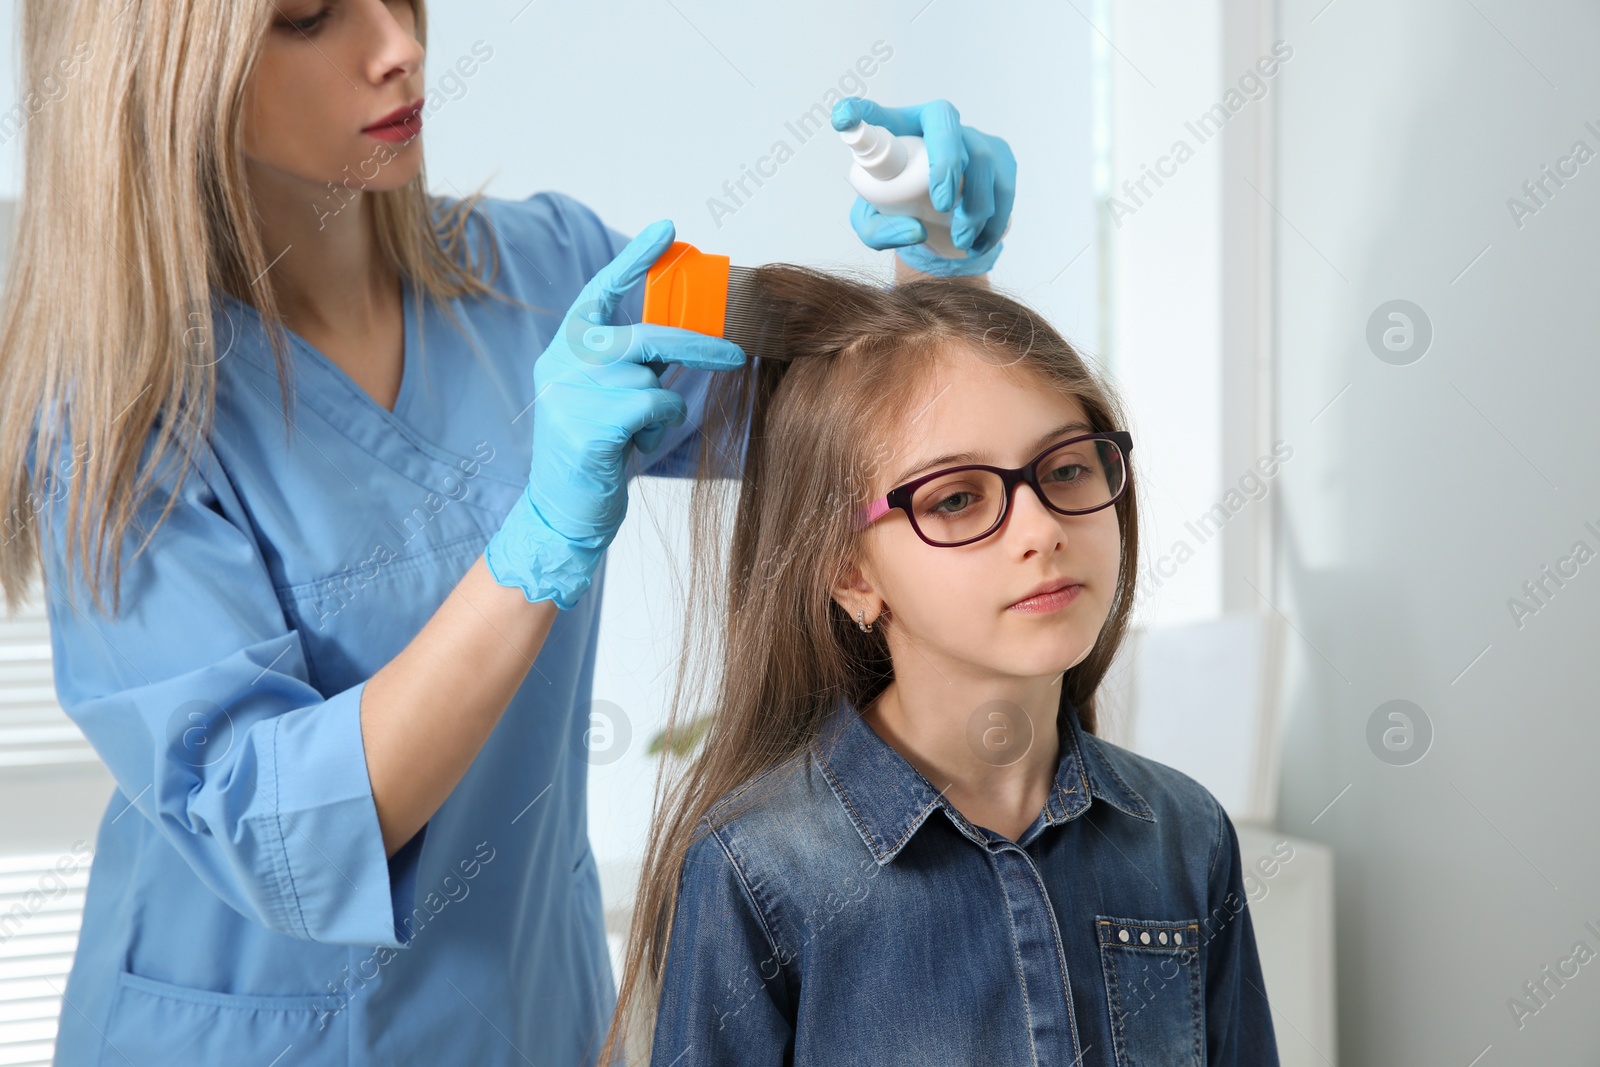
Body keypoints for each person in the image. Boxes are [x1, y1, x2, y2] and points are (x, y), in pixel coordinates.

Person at [0, 2, 1016, 1064]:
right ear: (158, 78)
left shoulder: (554, 267)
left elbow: (861, 425)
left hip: (532, 1016)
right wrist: (536, 543)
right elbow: (284, 834)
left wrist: (937, 268)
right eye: (308, 17)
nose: (399, 48)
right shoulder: (122, 423)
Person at [603, 265, 1280, 1066]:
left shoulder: (1184, 834)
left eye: (1066, 469)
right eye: (957, 497)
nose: (1041, 529)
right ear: (851, 573)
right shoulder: (758, 870)